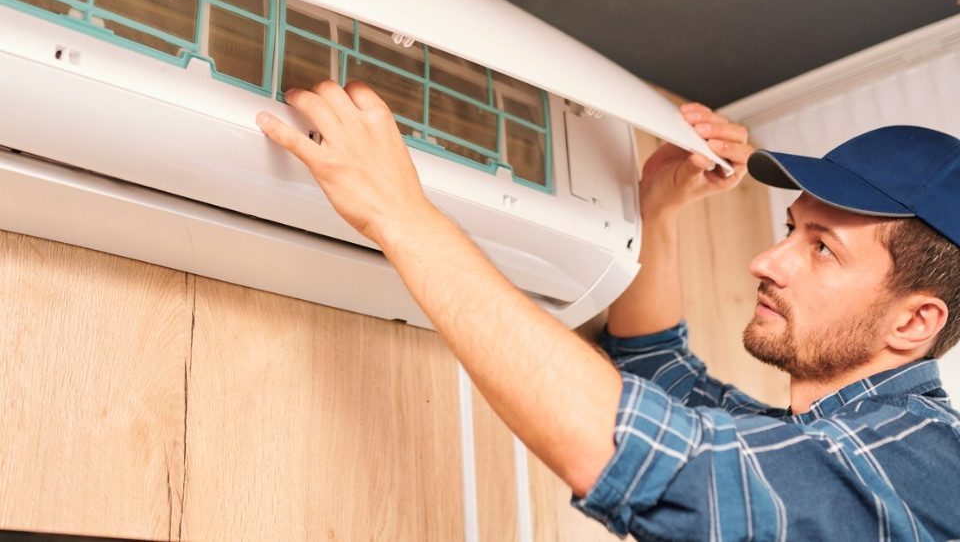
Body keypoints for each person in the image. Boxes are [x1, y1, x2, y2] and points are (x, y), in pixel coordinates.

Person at [255, 80, 960, 540]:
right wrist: (656, 206)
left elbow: (660, 461)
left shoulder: (929, 463)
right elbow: (655, 369)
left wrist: (397, 210)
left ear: (913, 322)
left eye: (823, 249)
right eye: (789, 232)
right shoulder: (829, 442)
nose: (766, 262)